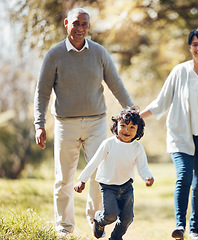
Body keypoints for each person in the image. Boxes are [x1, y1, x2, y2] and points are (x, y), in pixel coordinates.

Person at [34, 8, 134, 236]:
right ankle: (64, 226)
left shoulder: (98, 53)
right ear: (67, 23)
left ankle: (96, 219)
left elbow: (115, 84)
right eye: (76, 23)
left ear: (89, 26)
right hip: (65, 124)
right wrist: (39, 124)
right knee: (64, 178)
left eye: (85, 24)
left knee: (100, 173)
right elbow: (42, 92)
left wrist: (131, 109)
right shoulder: (54, 55)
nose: (80, 29)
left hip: (96, 123)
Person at [140, 28, 198, 240]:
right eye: (194, 44)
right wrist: (137, 117)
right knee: (183, 177)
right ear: (190, 47)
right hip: (182, 137)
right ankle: (180, 226)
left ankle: (194, 230)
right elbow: (161, 102)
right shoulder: (179, 72)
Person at [74, 106, 154, 240]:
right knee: (110, 216)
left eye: (132, 127)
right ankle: (99, 220)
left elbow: (142, 167)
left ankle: (116, 238)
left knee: (127, 218)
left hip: (126, 186)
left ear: (138, 130)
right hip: (108, 186)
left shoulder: (137, 148)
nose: (126, 130)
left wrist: (147, 177)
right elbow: (94, 162)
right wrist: (82, 180)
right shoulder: (108, 144)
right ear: (116, 126)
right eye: (123, 125)